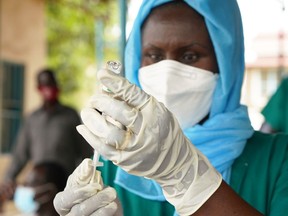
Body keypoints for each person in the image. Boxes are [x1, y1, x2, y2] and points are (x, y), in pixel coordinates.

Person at [53, 1, 288, 216]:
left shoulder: (277, 161)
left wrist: (184, 175)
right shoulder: (117, 164)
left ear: (226, 63)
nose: (167, 74)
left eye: (189, 56)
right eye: (154, 56)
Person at [0, 68, 92, 204]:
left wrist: (88, 180)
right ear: (39, 88)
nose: (48, 89)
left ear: (57, 86)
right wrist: (7, 180)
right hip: (38, 188)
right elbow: (20, 155)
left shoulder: (70, 115)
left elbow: (85, 152)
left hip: (66, 184)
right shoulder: (32, 119)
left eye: (51, 84)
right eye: (44, 85)